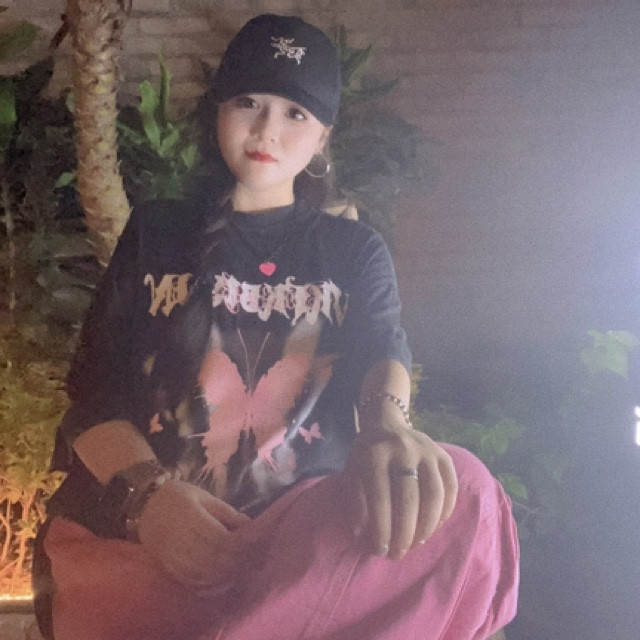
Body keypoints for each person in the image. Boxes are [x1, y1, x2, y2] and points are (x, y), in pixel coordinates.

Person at [33, 14, 519, 640]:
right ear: (218, 112)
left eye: (295, 113)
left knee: (466, 489)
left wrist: (388, 427)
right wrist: (149, 500)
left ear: (323, 138)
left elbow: (381, 349)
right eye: (248, 103)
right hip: (146, 547)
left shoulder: (352, 250)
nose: (266, 129)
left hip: (292, 557)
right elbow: (93, 396)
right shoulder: (158, 232)